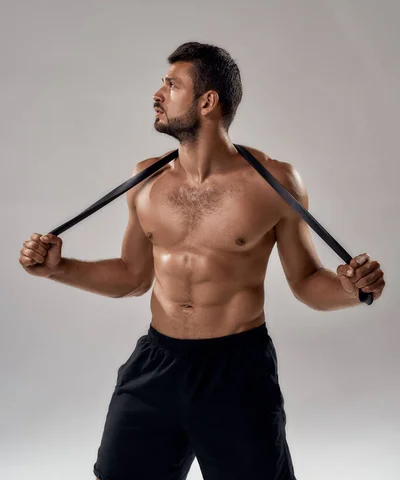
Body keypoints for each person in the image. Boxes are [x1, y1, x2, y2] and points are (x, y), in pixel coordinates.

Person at [19, 42, 385, 480]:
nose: (158, 94)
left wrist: (353, 290)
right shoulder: (146, 180)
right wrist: (59, 268)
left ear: (207, 102)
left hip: (237, 371)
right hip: (157, 364)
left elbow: (307, 281)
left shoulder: (275, 183)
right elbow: (133, 278)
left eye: (172, 85)